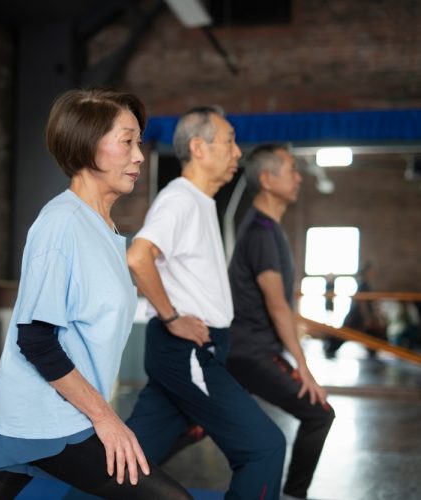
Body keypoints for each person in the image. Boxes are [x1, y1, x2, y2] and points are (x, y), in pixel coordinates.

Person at [0, 89, 191, 500]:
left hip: (61, 411)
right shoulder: (61, 225)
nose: (139, 155)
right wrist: (106, 419)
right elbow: (36, 339)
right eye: (127, 141)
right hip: (51, 417)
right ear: (87, 145)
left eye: (139, 142)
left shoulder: (102, 228)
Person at [125, 107, 286, 500]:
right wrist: (172, 317)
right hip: (188, 350)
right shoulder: (179, 199)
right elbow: (138, 256)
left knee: (130, 460)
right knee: (264, 448)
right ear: (198, 147)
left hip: (195, 350)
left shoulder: (200, 201)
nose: (237, 153)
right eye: (229, 141)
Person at [227, 144, 335, 500]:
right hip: (251, 354)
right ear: (267, 179)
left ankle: (132, 471)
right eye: (291, 169)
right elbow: (277, 307)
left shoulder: (269, 229)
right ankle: (293, 495)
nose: (299, 177)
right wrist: (303, 367)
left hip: (248, 352)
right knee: (319, 414)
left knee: (193, 426)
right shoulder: (260, 232)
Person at [324, 261, 387, 359]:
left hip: (359, 317)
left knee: (371, 334)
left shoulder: (366, 285)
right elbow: (362, 304)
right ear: (367, 272)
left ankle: (372, 349)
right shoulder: (363, 285)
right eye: (372, 271)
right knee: (344, 334)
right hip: (357, 317)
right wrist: (367, 318)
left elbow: (370, 304)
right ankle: (330, 344)